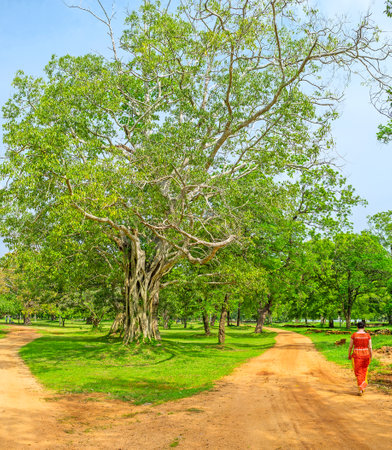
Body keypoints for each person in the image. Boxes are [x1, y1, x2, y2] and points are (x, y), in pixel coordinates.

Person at [348, 321, 372, 396]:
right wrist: (371, 355)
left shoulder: (354, 335)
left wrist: (349, 354)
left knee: (358, 372)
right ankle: (363, 387)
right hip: (366, 355)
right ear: (364, 327)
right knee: (364, 371)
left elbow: (350, 346)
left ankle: (361, 388)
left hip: (356, 355)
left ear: (357, 327)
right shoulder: (368, 336)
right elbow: (370, 347)